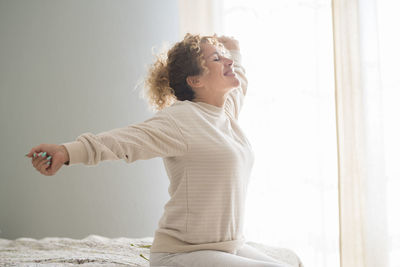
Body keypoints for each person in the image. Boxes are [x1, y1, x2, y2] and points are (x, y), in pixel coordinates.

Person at [26, 34, 292, 267]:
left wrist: (232, 50)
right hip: (181, 255)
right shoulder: (181, 119)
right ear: (195, 81)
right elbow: (124, 141)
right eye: (216, 59)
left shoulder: (226, 112)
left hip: (224, 248)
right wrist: (66, 151)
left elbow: (240, 82)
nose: (228, 62)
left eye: (224, 58)